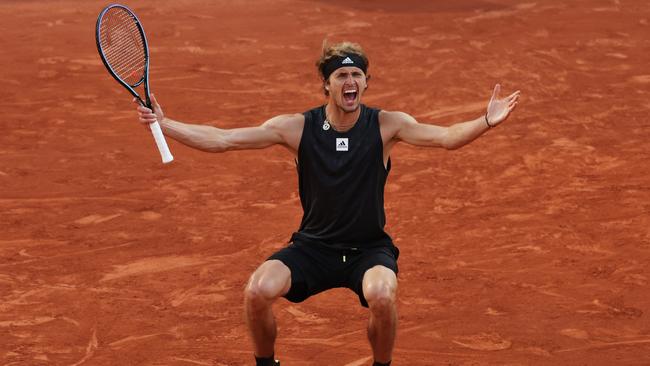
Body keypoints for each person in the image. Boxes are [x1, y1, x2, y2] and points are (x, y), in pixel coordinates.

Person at [134, 41, 520, 366]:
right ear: (327, 85)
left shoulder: (387, 125)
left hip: (368, 248)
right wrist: (165, 124)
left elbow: (446, 137)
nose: (350, 81)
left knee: (383, 296)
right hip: (313, 247)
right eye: (341, 75)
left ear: (366, 82)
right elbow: (224, 139)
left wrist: (485, 121)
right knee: (257, 291)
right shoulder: (297, 127)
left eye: (356, 75)